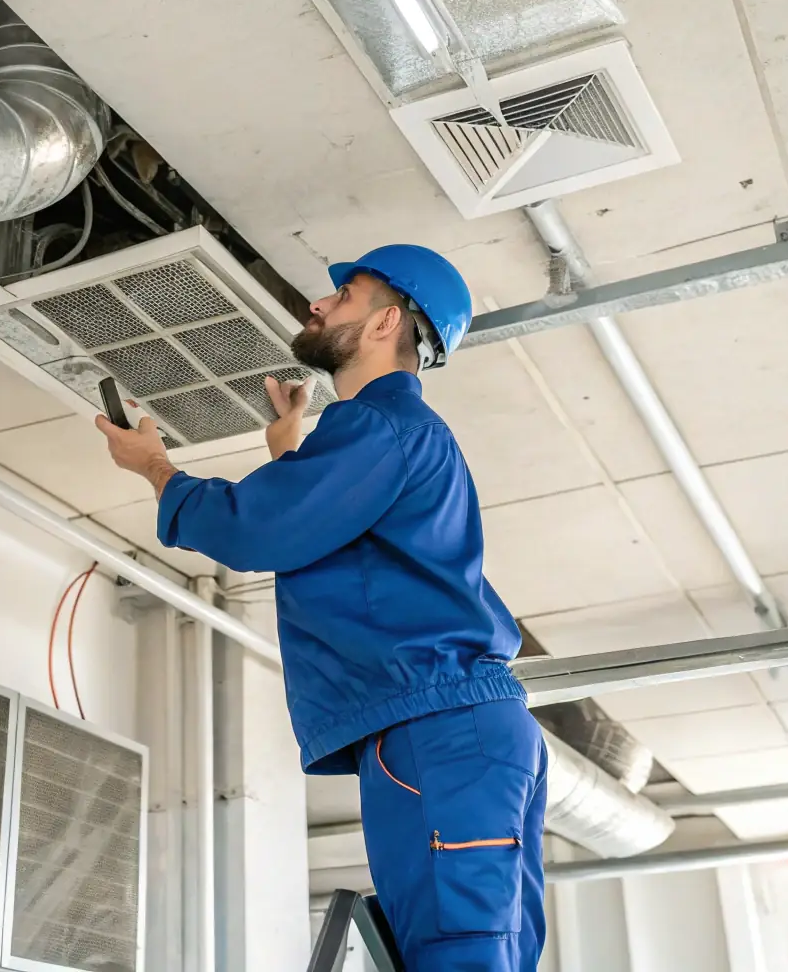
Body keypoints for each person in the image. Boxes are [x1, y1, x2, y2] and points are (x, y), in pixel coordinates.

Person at [95, 244, 547, 972]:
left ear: (384, 323)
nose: (318, 303)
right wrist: (288, 453)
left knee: (459, 955)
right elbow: (334, 536)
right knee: (472, 950)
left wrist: (155, 467)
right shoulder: (391, 434)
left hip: (437, 730)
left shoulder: (381, 426)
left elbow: (256, 529)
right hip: (453, 729)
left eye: (343, 296)